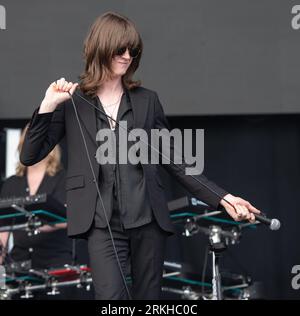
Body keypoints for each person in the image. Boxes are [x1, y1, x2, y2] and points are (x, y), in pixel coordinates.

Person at [19, 12, 260, 300]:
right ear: (101, 47)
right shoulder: (73, 102)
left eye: (132, 50)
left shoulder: (147, 101)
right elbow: (30, 155)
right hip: (100, 223)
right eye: (120, 49)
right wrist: (47, 106)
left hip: (147, 220)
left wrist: (223, 197)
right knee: (112, 299)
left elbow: (178, 162)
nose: (126, 56)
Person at [0, 125, 75, 299]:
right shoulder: (11, 184)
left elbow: (72, 219)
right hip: (19, 267)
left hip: (55, 265)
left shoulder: (64, 178)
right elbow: (2, 230)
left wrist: (39, 224)